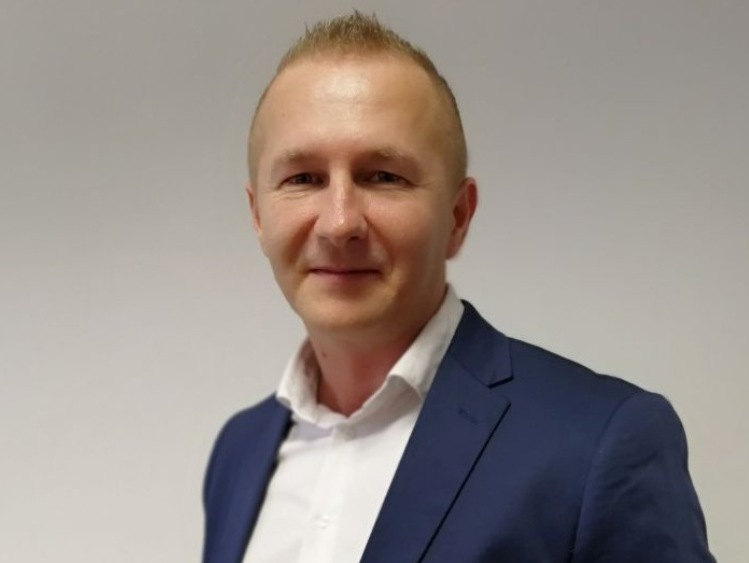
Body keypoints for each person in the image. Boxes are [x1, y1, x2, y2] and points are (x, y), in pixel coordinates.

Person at [202, 12, 714, 563]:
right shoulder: (239, 452)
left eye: (383, 176)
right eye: (303, 178)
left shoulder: (599, 442)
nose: (339, 222)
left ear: (458, 216)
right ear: (258, 216)